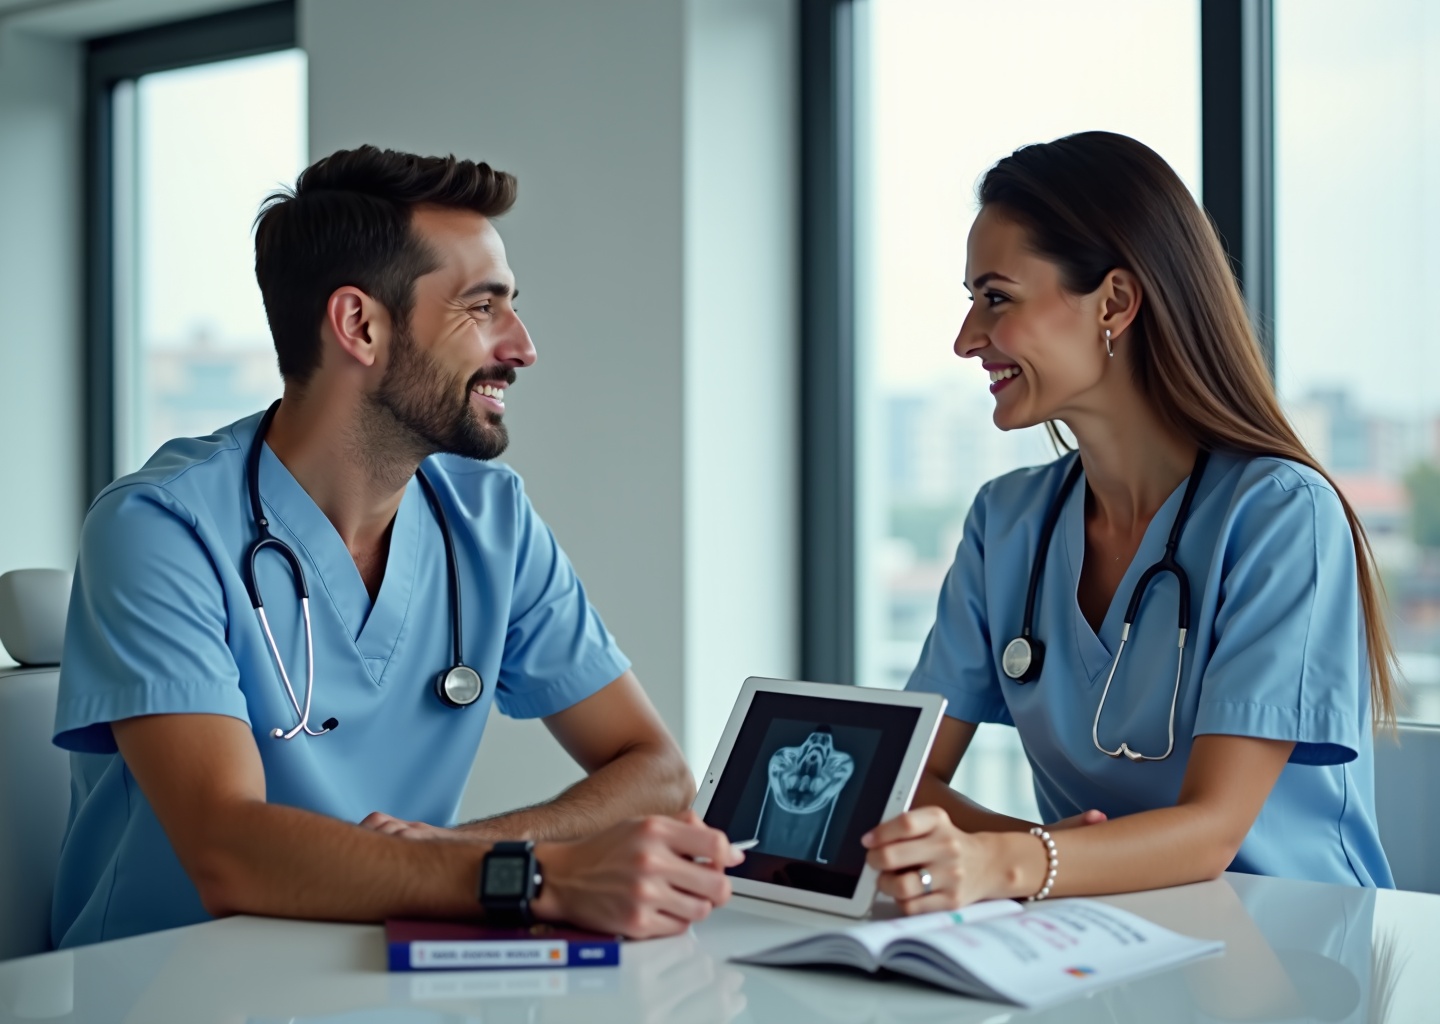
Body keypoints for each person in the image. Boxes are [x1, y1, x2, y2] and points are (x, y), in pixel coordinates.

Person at [51, 146, 741, 949]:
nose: (520, 346)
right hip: (161, 987)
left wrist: (457, 853)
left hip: (374, 967)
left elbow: (656, 771)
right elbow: (227, 851)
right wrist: (532, 878)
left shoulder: (490, 522)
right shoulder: (161, 528)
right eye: (482, 308)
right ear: (361, 326)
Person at [862, 131, 1396, 912]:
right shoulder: (1004, 525)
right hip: (1098, 942)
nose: (967, 338)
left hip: (1294, 953)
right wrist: (1036, 857)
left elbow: (1213, 831)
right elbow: (909, 774)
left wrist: (1014, 862)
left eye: (996, 298)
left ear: (1113, 302)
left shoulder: (1280, 516)